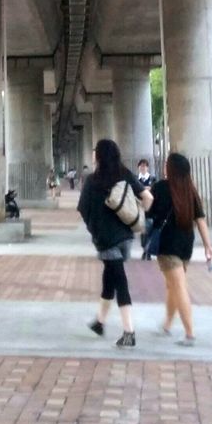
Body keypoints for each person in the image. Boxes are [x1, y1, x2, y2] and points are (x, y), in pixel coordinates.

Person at [78, 138, 153, 348]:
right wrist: (137, 215)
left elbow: (83, 209)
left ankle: (129, 332)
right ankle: (100, 322)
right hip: (125, 237)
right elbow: (148, 198)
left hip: (105, 239)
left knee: (120, 281)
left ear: (100, 156)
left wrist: (94, 227)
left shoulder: (92, 180)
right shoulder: (125, 174)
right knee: (110, 276)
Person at [147, 152, 212, 345]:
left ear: (171, 169)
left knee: (178, 287)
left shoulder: (160, 187)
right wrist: (208, 246)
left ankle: (190, 333)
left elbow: (149, 211)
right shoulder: (190, 190)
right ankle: (167, 325)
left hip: (167, 246)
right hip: (186, 246)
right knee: (173, 286)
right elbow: (200, 220)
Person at [136, 159, 156, 260]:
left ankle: (147, 251)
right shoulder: (136, 180)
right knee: (143, 230)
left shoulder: (153, 179)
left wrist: (148, 189)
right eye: (141, 166)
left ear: (147, 167)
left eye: (145, 166)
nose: (143, 168)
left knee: (149, 229)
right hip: (140, 208)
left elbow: (155, 192)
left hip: (151, 209)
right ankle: (145, 248)